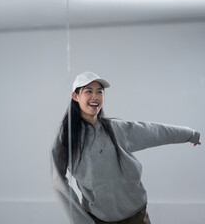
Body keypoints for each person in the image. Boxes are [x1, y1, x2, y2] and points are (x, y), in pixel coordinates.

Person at [51, 71, 201, 224]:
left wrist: (191, 135)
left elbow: (156, 131)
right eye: (88, 91)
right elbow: (57, 180)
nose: (95, 96)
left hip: (136, 214)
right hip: (98, 217)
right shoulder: (66, 135)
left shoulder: (116, 129)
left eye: (99, 92)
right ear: (75, 96)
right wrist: (80, 220)